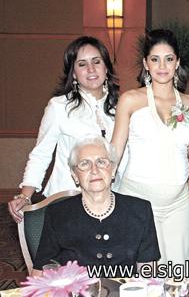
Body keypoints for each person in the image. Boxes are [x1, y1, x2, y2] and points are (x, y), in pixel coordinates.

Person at [111, 29, 189, 265]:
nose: (162, 66)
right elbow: (115, 151)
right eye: (155, 59)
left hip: (177, 205)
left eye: (169, 59)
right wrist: (99, 189)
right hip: (136, 202)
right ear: (146, 63)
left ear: (177, 63)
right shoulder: (131, 100)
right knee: (143, 279)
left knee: (178, 277)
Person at [9, 36, 122, 224]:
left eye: (96, 61)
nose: (91, 69)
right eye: (82, 64)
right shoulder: (59, 107)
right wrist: (25, 195)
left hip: (111, 201)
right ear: (74, 74)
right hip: (68, 199)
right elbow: (41, 154)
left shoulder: (122, 107)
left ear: (107, 67)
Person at [33, 136, 159, 276]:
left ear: (113, 170)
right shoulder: (57, 214)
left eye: (101, 162)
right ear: (75, 175)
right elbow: (40, 272)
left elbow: (148, 273)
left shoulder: (140, 210)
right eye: (84, 164)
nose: (94, 170)